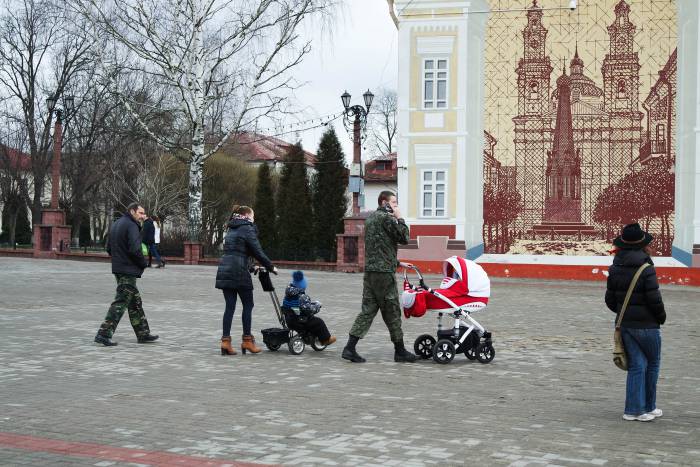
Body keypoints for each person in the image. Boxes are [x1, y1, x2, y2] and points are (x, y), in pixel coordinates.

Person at [342, 191, 417, 363]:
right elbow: (405, 237)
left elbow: (379, 248)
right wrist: (400, 218)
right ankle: (400, 352)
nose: (396, 206)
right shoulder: (386, 219)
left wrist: (397, 263)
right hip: (384, 275)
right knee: (392, 311)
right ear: (384, 203)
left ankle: (349, 347)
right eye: (394, 202)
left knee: (367, 311)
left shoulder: (371, 219)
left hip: (371, 273)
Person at [605, 222, 666, 422]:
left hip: (625, 324)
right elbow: (654, 299)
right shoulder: (646, 267)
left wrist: (626, 312)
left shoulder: (615, 267)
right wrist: (661, 317)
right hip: (647, 325)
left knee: (637, 365)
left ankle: (632, 410)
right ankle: (649, 406)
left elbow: (610, 300)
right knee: (653, 363)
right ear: (643, 245)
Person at [94, 202, 159, 346]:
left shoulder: (117, 224)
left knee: (134, 301)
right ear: (132, 211)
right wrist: (143, 263)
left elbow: (109, 248)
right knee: (121, 302)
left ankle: (143, 333)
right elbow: (135, 249)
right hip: (127, 270)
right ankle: (103, 333)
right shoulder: (131, 226)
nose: (143, 216)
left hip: (118, 268)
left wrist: (119, 259)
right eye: (141, 213)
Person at [215, 205, 277, 355]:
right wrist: (270, 266)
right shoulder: (247, 228)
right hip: (239, 272)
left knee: (229, 307)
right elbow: (257, 250)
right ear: (248, 216)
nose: (253, 220)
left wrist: (252, 267)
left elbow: (239, 251)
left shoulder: (232, 227)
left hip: (225, 269)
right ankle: (247, 341)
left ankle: (225, 342)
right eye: (253, 217)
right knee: (248, 305)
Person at [282, 270, 336, 346]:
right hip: (300, 321)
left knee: (311, 320)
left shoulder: (288, 295)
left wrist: (311, 304)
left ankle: (307, 337)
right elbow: (309, 310)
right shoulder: (302, 297)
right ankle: (326, 339)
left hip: (289, 320)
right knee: (319, 322)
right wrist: (317, 306)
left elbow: (300, 306)